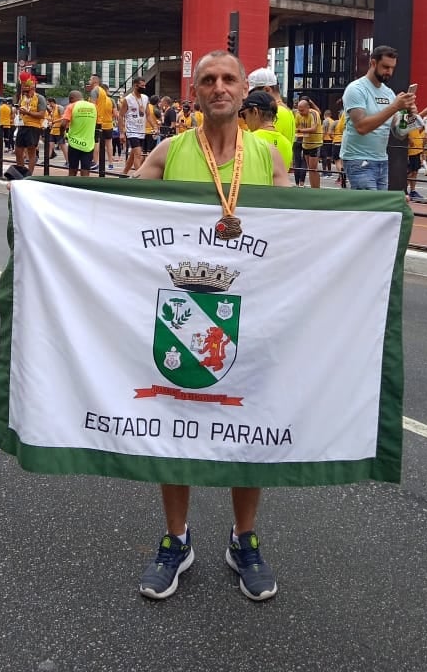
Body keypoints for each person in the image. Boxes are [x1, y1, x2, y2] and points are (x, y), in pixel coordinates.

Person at [135, 50, 287, 603]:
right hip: (178, 312)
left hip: (248, 314)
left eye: (228, 79)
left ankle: (244, 539)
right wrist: (41, 197)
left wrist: (371, 222)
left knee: (249, 425)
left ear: (245, 89)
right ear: (194, 92)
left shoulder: (268, 156)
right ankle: (176, 540)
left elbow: (300, 233)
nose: (218, 87)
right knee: (173, 421)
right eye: (207, 80)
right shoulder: (168, 151)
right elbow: (113, 214)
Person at [340, 46, 417, 190]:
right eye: (386, 67)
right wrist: (395, 107)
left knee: (379, 204)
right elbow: (361, 127)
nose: (389, 72)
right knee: (370, 203)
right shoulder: (356, 89)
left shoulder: (388, 93)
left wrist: (410, 115)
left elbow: (399, 133)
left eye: (392, 68)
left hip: (382, 160)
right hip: (358, 159)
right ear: (373, 63)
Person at [238, 89, 293, 168]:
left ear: (255, 112)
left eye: (244, 115)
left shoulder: (247, 139)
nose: (245, 122)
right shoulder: (287, 144)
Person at [245, 68, 295, 147]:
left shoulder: (277, 112)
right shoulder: (284, 110)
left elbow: (257, 144)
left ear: (267, 90)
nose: (250, 97)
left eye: (252, 93)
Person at [118, 77, 149, 176]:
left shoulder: (145, 98)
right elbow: (121, 115)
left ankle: (124, 173)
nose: (144, 87)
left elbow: (148, 114)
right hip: (132, 131)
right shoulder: (127, 99)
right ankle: (139, 176)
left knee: (133, 154)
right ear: (135, 86)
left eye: (144, 85)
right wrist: (122, 132)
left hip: (141, 130)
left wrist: (156, 127)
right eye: (142, 86)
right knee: (138, 154)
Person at [64, 91, 97, 176]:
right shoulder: (93, 106)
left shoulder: (71, 106)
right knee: (86, 170)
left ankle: (71, 184)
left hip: (74, 143)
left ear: (71, 99)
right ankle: (84, 184)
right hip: (88, 144)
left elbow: (63, 124)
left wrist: (62, 134)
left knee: (72, 169)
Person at [293, 97, 323, 189]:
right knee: (310, 169)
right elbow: (294, 125)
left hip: (315, 143)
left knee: (313, 168)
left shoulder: (314, 113)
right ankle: (313, 188)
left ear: (308, 108)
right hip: (305, 143)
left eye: (302, 110)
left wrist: (299, 130)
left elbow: (313, 129)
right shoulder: (298, 114)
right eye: (299, 110)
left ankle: (316, 188)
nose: (300, 112)